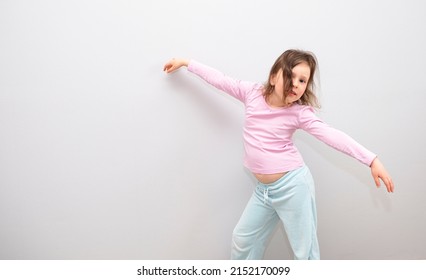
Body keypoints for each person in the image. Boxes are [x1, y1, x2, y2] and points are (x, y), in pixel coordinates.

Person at [163, 50, 394, 260]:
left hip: (293, 188)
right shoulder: (251, 93)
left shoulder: (299, 113)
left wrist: (371, 159)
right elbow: (221, 80)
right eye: (290, 76)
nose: (296, 84)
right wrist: (187, 63)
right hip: (264, 192)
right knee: (242, 240)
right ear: (274, 77)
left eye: (302, 80)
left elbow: (331, 135)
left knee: (305, 252)